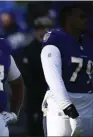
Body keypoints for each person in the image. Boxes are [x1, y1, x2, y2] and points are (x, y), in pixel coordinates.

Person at [41, 4, 93, 136]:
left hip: (87, 105)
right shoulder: (55, 38)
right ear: (69, 18)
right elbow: (53, 77)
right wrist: (67, 106)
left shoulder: (88, 43)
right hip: (60, 105)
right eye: (81, 17)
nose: (85, 20)